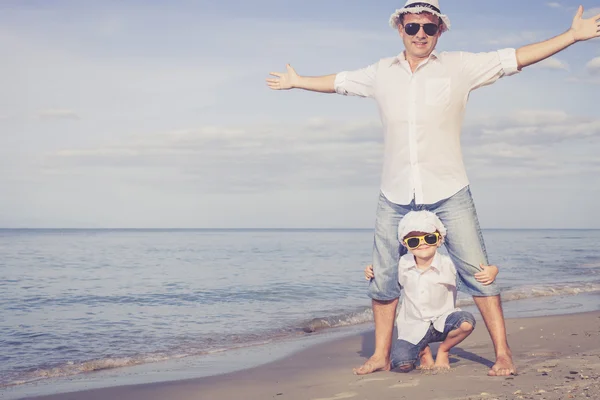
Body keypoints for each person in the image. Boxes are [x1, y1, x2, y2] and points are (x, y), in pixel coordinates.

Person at [266, 0, 600, 376]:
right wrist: (298, 82)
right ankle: (379, 355)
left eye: (429, 27)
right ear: (400, 29)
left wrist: (572, 36)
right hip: (394, 193)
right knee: (384, 276)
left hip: (449, 189)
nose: (420, 34)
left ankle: (503, 353)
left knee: (477, 271)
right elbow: (339, 82)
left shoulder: (460, 66)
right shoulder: (380, 73)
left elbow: (516, 58)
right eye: (413, 27)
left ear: (440, 30)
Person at [364, 210, 498, 371]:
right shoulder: (401, 265)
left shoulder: (449, 264)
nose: (422, 244)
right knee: (402, 363)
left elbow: (474, 274)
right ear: (405, 244)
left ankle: (444, 350)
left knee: (466, 323)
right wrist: (372, 271)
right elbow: (386, 282)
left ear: (439, 239)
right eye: (414, 241)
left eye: (429, 238)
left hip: (444, 322)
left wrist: (493, 270)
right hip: (413, 327)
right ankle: (423, 350)